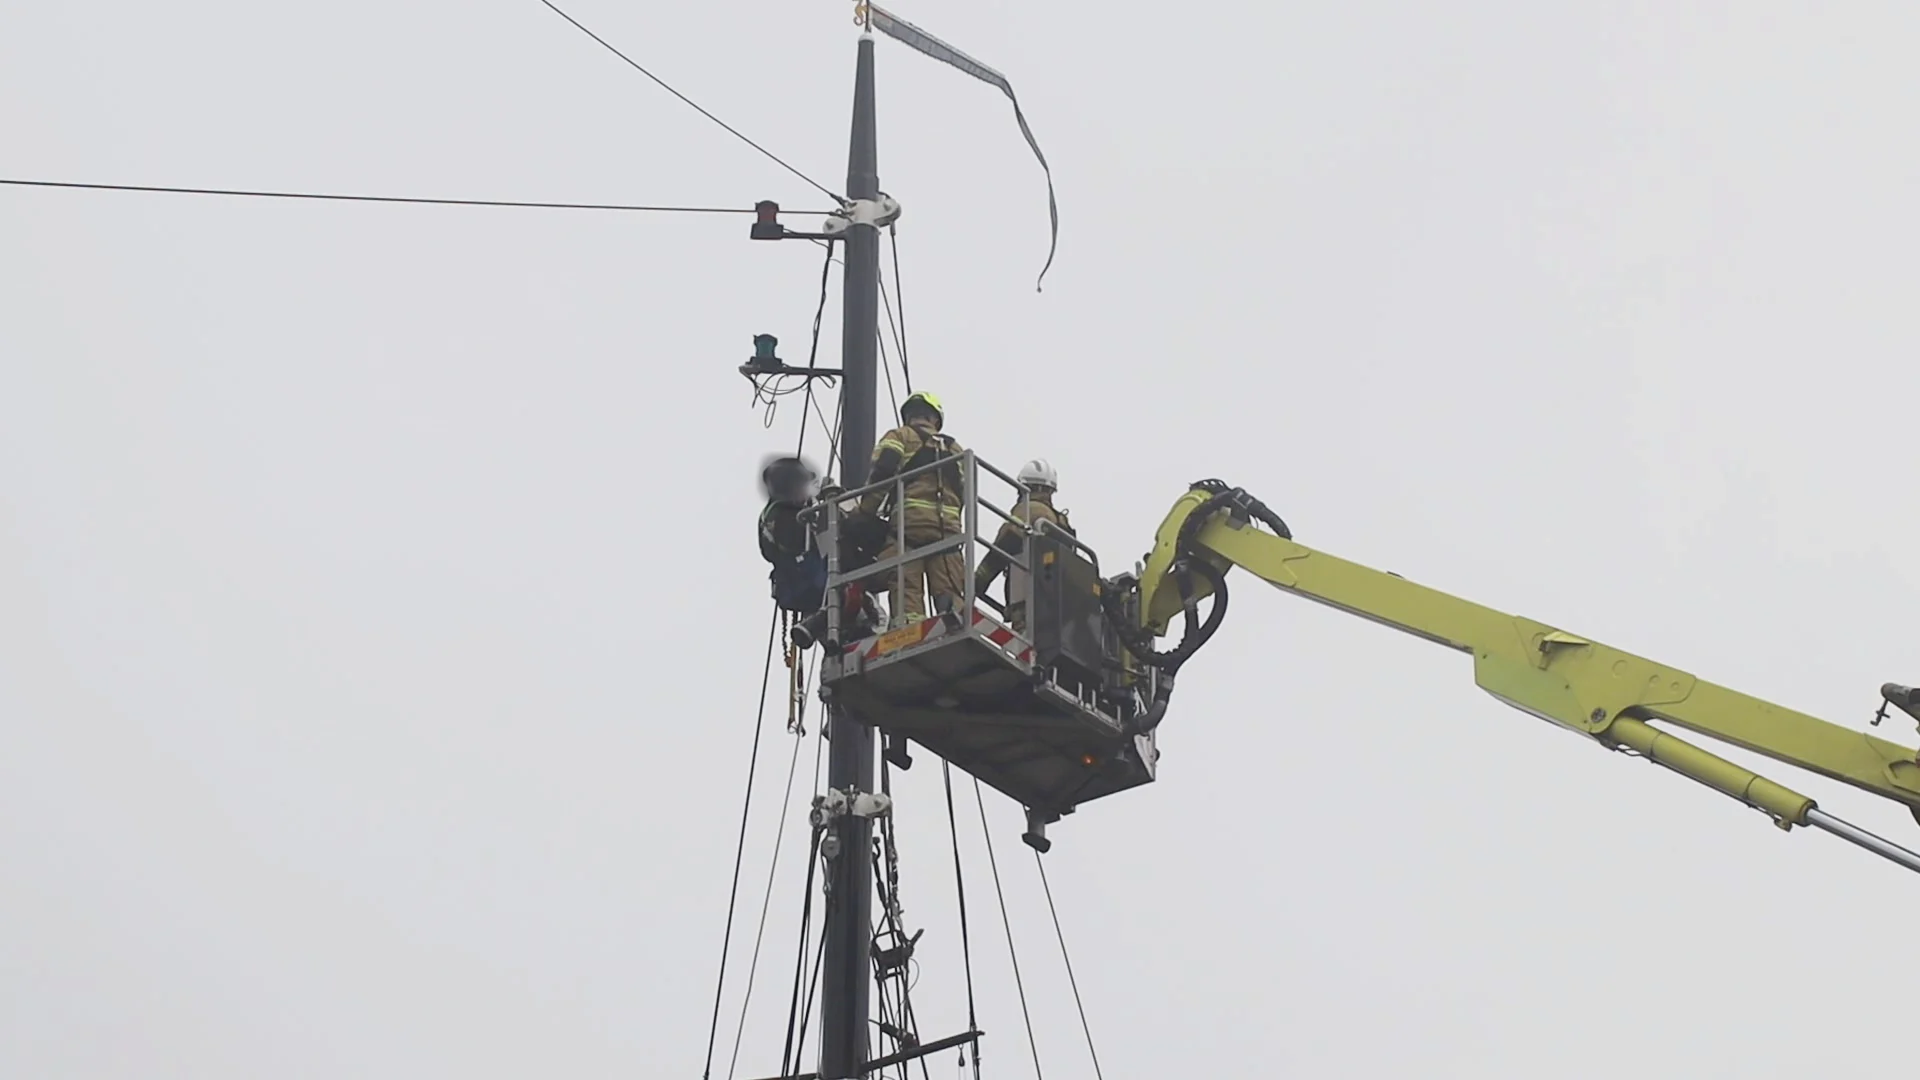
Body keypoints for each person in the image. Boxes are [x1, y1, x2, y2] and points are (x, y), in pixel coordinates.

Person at [863, 391, 966, 626]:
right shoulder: (955, 449)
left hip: (908, 531)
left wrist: (864, 513)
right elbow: (964, 493)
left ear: (908, 415)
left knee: (906, 587)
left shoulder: (899, 436)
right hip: (946, 533)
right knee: (949, 586)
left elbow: (882, 473)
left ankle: (908, 632)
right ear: (935, 419)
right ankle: (953, 621)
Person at [974, 458, 1074, 633]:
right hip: (1058, 605)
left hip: (1029, 603)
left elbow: (1004, 547)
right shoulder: (1059, 520)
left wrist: (977, 582)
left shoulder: (1028, 509)